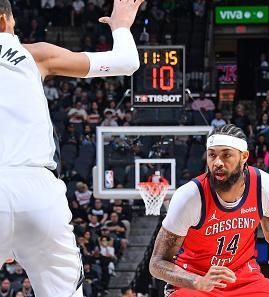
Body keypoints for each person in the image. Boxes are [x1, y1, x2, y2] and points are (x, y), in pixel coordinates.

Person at [0, 0, 143, 296]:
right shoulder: (34, 54)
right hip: (37, 191)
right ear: (5, 21)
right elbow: (127, 62)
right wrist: (121, 26)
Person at [149, 124, 269, 296]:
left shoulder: (265, 187)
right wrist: (195, 281)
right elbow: (157, 263)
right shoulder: (189, 196)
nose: (217, 162)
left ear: (244, 156)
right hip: (196, 280)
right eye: (212, 155)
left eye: (226, 155)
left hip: (243, 277)